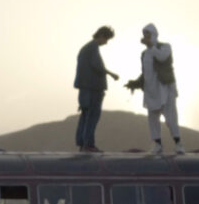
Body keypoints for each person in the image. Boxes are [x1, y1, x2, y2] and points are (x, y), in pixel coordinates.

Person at [124, 23, 182, 154]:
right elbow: (145, 72)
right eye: (144, 34)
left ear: (154, 34)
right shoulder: (144, 54)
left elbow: (162, 58)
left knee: (171, 117)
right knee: (152, 118)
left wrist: (151, 45)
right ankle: (157, 144)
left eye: (148, 34)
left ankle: (178, 144)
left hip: (165, 88)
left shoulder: (165, 47)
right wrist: (135, 83)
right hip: (150, 90)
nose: (146, 36)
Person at [72, 26, 117, 152]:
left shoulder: (86, 48)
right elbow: (97, 66)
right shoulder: (92, 48)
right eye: (106, 39)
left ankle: (82, 143)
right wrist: (111, 74)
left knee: (86, 115)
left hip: (85, 88)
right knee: (92, 115)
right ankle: (88, 144)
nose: (106, 42)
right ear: (101, 35)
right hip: (92, 88)